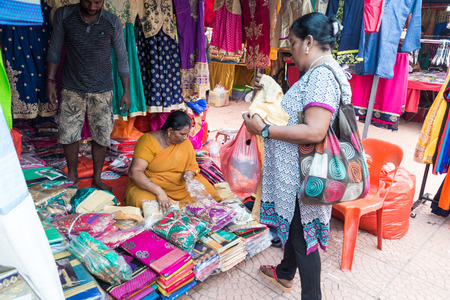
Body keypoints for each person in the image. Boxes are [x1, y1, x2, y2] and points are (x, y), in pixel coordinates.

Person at [243, 13, 351, 299]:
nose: (290, 48)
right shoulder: (318, 73)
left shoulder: (321, 76)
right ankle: (285, 273)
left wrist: (264, 129)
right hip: (302, 172)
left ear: (309, 42)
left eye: (292, 42)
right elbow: (297, 113)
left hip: (306, 174)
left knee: (303, 239)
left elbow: (315, 130)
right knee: (294, 228)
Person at [46, 0, 131, 192]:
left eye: (98, 2)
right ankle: (73, 175)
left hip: (102, 89)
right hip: (71, 87)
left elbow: (121, 56)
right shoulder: (64, 15)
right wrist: (50, 81)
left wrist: (126, 91)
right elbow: (54, 49)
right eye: (88, 1)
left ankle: (98, 178)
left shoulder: (112, 21)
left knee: (101, 136)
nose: (93, 6)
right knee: (69, 134)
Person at [126, 110, 220, 211]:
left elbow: (192, 164)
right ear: (170, 131)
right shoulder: (148, 141)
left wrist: (189, 174)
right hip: (152, 186)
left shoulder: (184, 141)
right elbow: (135, 172)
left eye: (187, 134)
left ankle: (179, 209)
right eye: (182, 134)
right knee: (142, 200)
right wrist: (158, 191)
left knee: (209, 192)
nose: (186, 138)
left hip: (181, 186)